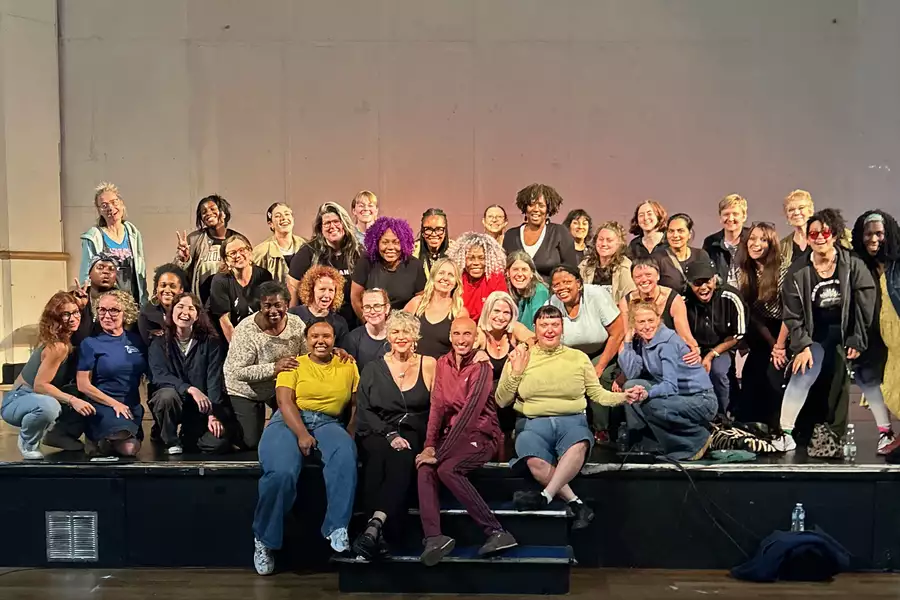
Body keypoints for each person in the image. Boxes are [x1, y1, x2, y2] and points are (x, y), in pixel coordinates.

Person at [496, 305, 628, 527]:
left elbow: (597, 394)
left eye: (555, 325)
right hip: (533, 423)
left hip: (571, 420)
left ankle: (545, 496)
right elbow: (501, 400)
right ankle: (576, 503)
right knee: (531, 452)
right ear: (535, 329)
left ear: (562, 328)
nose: (549, 330)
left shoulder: (578, 358)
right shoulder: (521, 356)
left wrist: (626, 397)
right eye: (544, 325)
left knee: (578, 442)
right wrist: (516, 372)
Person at [252, 320, 360, 575]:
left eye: (326, 335)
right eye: (314, 336)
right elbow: (284, 401)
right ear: (306, 339)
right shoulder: (294, 364)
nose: (320, 340)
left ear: (335, 339)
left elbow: (356, 404)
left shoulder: (347, 364)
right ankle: (264, 540)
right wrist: (301, 433)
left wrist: (351, 434)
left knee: (345, 455)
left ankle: (337, 527)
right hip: (289, 420)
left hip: (328, 421)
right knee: (281, 473)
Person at [773, 209, 877, 452]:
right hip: (813, 334)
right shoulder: (797, 271)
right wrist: (801, 346)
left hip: (843, 333)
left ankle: (833, 436)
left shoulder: (852, 264)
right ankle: (787, 432)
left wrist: (857, 338)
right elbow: (792, 314)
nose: (820, 237)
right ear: (808, 238)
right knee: (803, 371)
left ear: (835, 234)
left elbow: (865, 303)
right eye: (813, 233)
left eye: (825, 232)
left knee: (839, 376)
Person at [416, 317, 515, 566]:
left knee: (448, 469)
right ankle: (434, 538)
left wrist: (440, 453)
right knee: (424, 468)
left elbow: (471, 413)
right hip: (452, 437)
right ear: (450, 336)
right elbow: (437, 407)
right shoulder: (442, 363)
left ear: (475, 337)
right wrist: (430, 445)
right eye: (457, 334)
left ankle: (497, 532)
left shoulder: (482, 366)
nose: (461, 340)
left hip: (481, 436)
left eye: (467, 334)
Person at [353, 312, 436, 559]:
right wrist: (389, 434)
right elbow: (365, 409)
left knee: (401, 455)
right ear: (388, 336)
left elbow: (438, 407)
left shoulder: (429, 364)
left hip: (413, 431)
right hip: (377, 429)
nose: (401, 337)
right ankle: (381, 532)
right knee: (378, 461)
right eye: (396, 332)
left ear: (415, 336)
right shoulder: (372, 367)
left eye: (406, 332)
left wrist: (431, 442)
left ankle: (373, 528)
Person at [618, 302, 718, 460]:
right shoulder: (645, 341)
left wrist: (647, 393)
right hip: (679, 397)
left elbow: (670, 387)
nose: (647, 326)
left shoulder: (667, 343)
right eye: (641, 322)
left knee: (652, 404)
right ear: (633, 325)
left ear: (659, 319)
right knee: (632, 387)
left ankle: (696, 440)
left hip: (701, 400)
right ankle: (646, 444)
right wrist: (628, 342)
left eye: (651, 320)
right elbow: (631, 373)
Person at [2, 292, 94, 459]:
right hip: (18, 401)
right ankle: (28, 443)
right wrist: (73, 401)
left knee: (83, 392)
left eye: (75, 312)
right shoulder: (58, 346)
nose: (73, 318)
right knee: (50, 405)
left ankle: (59, 435)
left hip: (36, 397)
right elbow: (40, 386)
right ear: (55, 318)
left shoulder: (69, 339)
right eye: (66, 314)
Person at [224, 282, 306, 450]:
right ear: (259, 307)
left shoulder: (297, 324)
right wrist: (274, 368)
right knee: (251, 442)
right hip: (244, 390)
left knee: (295, 425)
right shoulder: (246, 330)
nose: (273, 311)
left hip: (278, 387)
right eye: (267, 306)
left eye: (278, 305)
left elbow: (307, 355)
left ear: (287, 305)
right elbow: (237, 371)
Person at [148, 293, 230, 455]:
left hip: (200, 407)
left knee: (218, 444)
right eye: (180, 306)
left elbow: (214, 379)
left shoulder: (210, 342)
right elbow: (159, 375)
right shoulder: (159, 341)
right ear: (171, 312)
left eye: (191, 308)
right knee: (166, 396)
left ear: (197, 315)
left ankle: (189, 435)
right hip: (174, 401)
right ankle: (170, 439)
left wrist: (213, 414)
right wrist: (189, 389)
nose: (185, 312)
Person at [548, 266, 625, 439]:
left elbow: (618, 332)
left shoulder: (596, 295)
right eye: (556, 285)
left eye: (567, 282)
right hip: (570, 354)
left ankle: (602, 430)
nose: (561, 288)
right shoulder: (553, 302)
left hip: (601, 350)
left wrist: (599, 365)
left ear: (579, 284)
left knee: (600, 376)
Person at [850, 210, 900, 452]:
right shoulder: (856, 264)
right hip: (869, 332)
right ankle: (885, 432)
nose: (873, 239)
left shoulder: (897, 262)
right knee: (868, 377)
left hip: (897, 332)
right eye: (867, 234)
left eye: (879, 233)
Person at [76, 290, 147, 457]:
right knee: (128, 448)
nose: (107, 315)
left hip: (131, 406)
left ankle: (107, 441)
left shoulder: (136, 340)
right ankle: (98, 438)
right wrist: (113, 404)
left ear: (126, 312)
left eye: (113, 310)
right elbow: (83, 384)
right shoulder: (91, 343)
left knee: (131, 448)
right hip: (103, 404)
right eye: (102, 310)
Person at [733, 222, 790, 429]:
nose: (756, 244)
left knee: (773, 376)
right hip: (760, 329)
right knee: (751, 374)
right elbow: (752, 313)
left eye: (763, 239)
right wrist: (769, 342)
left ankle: (779, 427)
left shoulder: (782, 270)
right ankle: (749, 427)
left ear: (772, 243)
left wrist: (779, 346)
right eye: (753, 239)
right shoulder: (745, 270)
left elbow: (790, 313)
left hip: (785, 327)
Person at [682, 261, 747, 419]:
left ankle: (721, 415)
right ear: (689, 284)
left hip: (722, 347)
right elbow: (678, 330)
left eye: (707, 281)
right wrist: (694, 351)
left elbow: (738, 335)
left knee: (717, 371)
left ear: (714, 280)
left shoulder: (731, 296)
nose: (703, 287)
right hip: (692, 347)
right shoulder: (683, 299)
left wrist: (711, 355)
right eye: (698, 283)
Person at [476, 291, 534, 449]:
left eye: (506, 312)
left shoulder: (514, 330)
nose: (501, 317)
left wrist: (523, 347)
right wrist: (477, 352)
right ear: (488, 311)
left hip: (511, 394)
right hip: (486, 398)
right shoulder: (480, 333)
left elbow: (535, 339)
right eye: (496, 311)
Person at [288, 202, 361, 328]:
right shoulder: (308, 251)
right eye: (327, 223)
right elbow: (293, 287)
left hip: (349, 324)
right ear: (320, 228)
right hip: (314, 323)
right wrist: (290, 323)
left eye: (336, 221)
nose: (332, 226)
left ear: (344, 223)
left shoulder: (358, 252)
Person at [617, 258, 702, 362]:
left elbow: (684, 335)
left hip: (668, 353)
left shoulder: (674, 299)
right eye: (638, 277)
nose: (644, 280)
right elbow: (628, 336)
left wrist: (695, 350)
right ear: (633, 279)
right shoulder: (626, 302)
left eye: (648, 275)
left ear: (658, 276)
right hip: (639, 354)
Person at [80, 182, 147, 305]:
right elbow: (86, 273)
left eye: (114, 202)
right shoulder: (94, 237)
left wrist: (144, 300)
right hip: (106, 303)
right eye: (104, 205)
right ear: (99, 211)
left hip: (133, 302)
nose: (110, 208)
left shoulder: (133, 233)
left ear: (121, 203)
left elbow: (141, 271)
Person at [351, 216, 426, 317]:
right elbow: (355, 299)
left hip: (402, 325)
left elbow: (420, 299)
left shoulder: (415, 265)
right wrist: (369, 324)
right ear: (376, 243)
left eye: (396, 242)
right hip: (372, 324)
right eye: (385, 242)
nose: (390, 247)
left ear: (404, 243)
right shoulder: (366, 262)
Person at [175, 194, 243, 304]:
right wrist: (184, 259)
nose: (208, 213)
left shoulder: (238, 240)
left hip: (231, 304)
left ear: (223, 213)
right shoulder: (194, 240)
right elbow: (176, 273)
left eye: (212, 209)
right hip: (203, 305)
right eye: (204, 212)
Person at [502, 183, 578, 278]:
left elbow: (571, 271)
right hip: (516, 292)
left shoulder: (559, 233)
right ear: (525, 207)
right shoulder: (511, 236)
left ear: (548, 209)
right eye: (532, 205)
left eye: (541, 205)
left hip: (550, 291)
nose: (536, 209)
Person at [208, 233, 273, 343]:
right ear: (226, 260)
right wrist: (239, 349)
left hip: (262, 337)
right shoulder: (220, 281)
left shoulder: (264, 276)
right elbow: (225, 321)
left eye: (242, 250)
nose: (238, 255)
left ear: (250, 252)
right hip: (232, 339)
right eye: (232, 253)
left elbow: (269, 312)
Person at [404, 258, 469, 359]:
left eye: (451, 275)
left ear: (456, 282)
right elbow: (397, 331)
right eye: (441, 273)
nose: (445, 278)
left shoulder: (459, 312)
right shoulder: (416, 303)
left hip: (441, 370)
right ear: (433, 276)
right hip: (413, 367)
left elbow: (463, 347)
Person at [446, 232, 508, 319]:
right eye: (470, 258)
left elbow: (502, 313)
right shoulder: (456, 278)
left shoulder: (496, 278)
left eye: (481, 258)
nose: (476, 263)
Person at [654, 213, 715, 295]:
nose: (675, 235)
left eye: (680, 231)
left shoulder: (701, 255)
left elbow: (710, 284)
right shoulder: (657, 259)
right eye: (671, 231)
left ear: (689, 234)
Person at [289, 265, 350, 347]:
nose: (327, 295)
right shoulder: (294, 315)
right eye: (322, 289)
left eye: (331, 290)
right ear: (311, 289)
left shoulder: (340, 323)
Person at [579, 221, 636, 303]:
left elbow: (630, 297)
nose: (603, 244)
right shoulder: (585, 265)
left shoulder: (625, 266)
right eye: (601, 239)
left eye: (609, 240)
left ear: (619, 244)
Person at [71, 253, 120, 345]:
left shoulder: (123, 301)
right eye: (100, 267)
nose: (106, 272)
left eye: (111, 269)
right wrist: (79, 309)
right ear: (89, 274)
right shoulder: (72, 298)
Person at [703, 194, 750, 287]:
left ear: (744, 216)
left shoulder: (753, 239)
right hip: (722, 297)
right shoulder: (711, 242)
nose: (730, 218)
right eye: (726, 214)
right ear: (720, 217)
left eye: (735, 214)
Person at [252, 203, 306, 284]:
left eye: (287, 214)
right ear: (271, 224)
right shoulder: (261, 252)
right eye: (277, 216)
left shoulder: (306, 246)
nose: (284, 218)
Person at [138, 263, 188, 346]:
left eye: (172, 286)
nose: (167, 290)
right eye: (163, 285)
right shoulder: (146, 313)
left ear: (181, 290)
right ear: (157, 288)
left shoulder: (191, 311)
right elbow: (149, 345)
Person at [343, 288, 391, 370]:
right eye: (367, 307)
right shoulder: (352, 338)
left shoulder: (397, 337)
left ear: (386, 308)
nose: (372, 311)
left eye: (377, 306)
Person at [506, 251, 550, 331]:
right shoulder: (509, 291)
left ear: (532, 273)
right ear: (508, 273)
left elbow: (539, 326)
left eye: (524, 270)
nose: (520, 274)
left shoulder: (540, 291)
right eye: (515, 269)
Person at [780, 189, 816, 266]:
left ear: (810, 211)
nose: (796, 213)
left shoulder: (823, 238)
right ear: (787, 215)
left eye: (801, 208)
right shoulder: (782, 246)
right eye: (791, 210)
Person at [412, 208, 449, 281]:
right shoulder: (412, 252)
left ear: (445, 231)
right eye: (428, 229)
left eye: (439, 229)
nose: (434, 234)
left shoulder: (455, 251)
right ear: (422, 231)